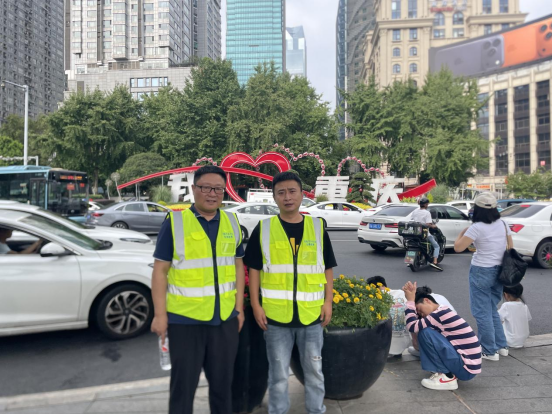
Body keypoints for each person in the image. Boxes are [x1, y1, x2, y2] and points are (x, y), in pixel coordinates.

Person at [150, 165, 246, 415]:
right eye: (206, 188)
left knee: (223, 388)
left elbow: (238, 265)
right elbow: (160, 271)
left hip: (224, 320)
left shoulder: (232, 221)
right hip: (185, 321)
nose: (212, 194)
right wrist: (160, 315)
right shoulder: (175, 222)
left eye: (218, 189)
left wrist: (238, 309)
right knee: (183, 389)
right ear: (194, 189)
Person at [245, 171, 337, 415]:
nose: (287, 197)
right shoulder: (264, 229)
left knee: (314, 371)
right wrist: (256, 305)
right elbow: (254, 270)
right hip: (275, 318)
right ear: (274, 197)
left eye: (292, 191)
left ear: (301, 194)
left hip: (311, 315)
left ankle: (316, 410)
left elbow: (327, 267)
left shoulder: (317, 227)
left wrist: (328, 301)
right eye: (281, 192)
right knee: (278, 375)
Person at [454, 193, 512, 361]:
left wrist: (462, 233)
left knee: (481, 312)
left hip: (481, 270)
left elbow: (458, 248)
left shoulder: (476, 227)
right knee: (491, 308)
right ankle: (501, 346)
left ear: (477, 209)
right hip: (500, 271)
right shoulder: (503, 224)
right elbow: (510, 247)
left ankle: (489, 350)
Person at [403, 281, 482, 391]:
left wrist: (410, 301)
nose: (421, 314)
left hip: (465, 368)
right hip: (468, 366)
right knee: (425, 330)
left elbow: (412, 326)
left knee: (425, 332)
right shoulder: (442, 311)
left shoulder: (438, 314)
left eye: (420, 310)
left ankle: (447, 377)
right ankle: (447, 373)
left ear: (427, 300)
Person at [407, 197, 442, 271]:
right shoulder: (427, 213)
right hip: (424, 234)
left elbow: (411, 220)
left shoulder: (415, 211)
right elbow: (428, 224)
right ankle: (435, 262)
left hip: (414, 233)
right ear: (426, 204)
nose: (427, 205)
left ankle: (409, 260)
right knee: (436, 246)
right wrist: (433, 226)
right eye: (427, 204)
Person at [499, 284, 532, 349]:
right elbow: (528, 318)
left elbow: (497, 318)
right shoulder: (524, 306)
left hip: (510, 340)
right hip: (522, 339)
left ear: (505, 294)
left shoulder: (506, 305)